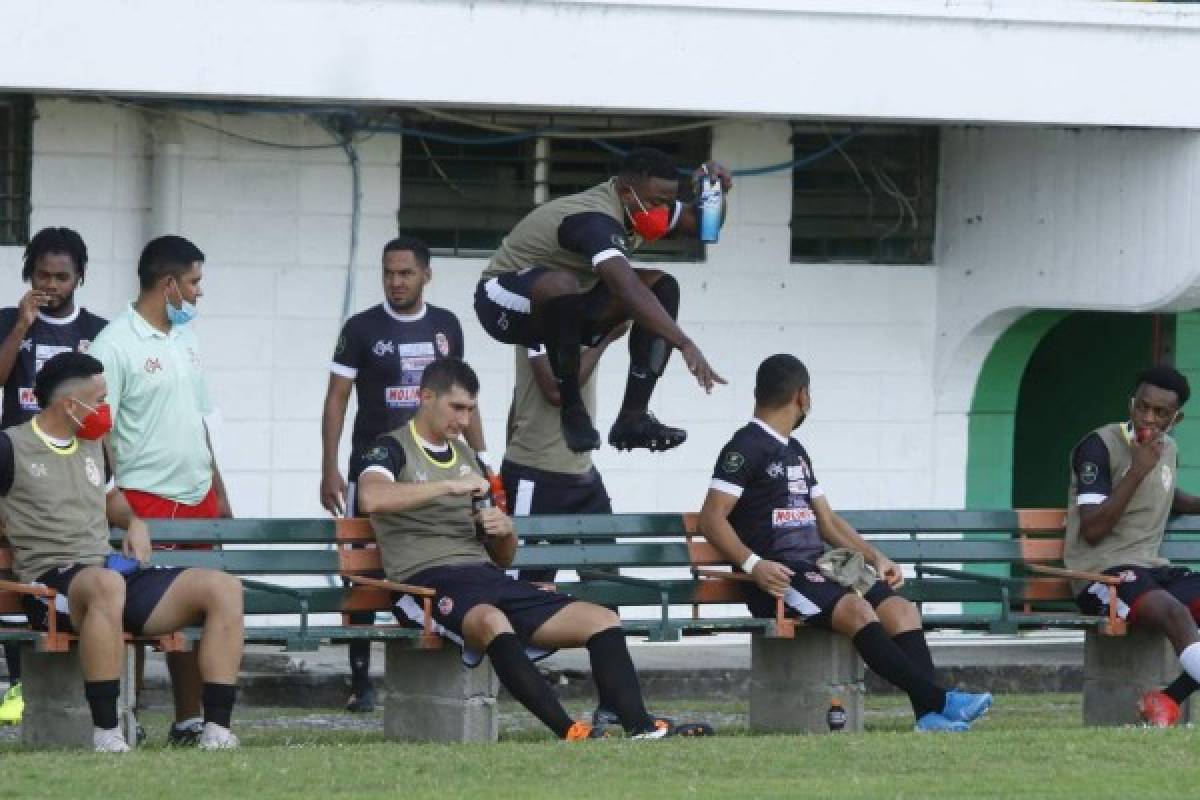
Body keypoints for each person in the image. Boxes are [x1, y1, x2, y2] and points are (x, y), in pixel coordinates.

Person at [357, 358, 710, 740]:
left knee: (602, 620)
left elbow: (504, 557)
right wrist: (448, 487)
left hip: (484, 577)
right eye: (456, 407)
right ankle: (572, 731)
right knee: (493, 621)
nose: (464, 420)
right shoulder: (391, 447)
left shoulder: (468, 458)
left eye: (471, 410)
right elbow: (372, 497)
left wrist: (503, 530)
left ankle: (642, 728)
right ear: (426, 397)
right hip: (423, 585)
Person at [698, 354, 992, 732]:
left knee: (902, 609)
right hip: (780, 576)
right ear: (802, 396)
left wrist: (874, 556)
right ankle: (940, 701)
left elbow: (827, 520)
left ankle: (928, 718)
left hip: (823, 565)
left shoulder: (796, 450)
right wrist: (755, 565)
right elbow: (711, 518)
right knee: (857, 611)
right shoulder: (745, 447)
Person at [0, 352, 242, 752]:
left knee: (224, 588)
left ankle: (216, 730)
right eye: (99, 399)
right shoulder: (10, 445)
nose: (105, 409)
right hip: (51, 584)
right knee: (106, 584)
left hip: (108, 578)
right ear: (69, 405)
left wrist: (135, 522)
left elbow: (114, 501)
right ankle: (107, 734)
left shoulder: (96, 445)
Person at [320, 235, 484, 713]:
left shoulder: (446, 325)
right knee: (362, 573)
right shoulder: (361, 327)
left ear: (426, 274)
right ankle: (359, 681)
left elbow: (465, 395)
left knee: (442, 556)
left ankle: (448, 647)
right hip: (374, 468)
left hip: (436, 464)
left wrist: (483, 455)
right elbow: (336, 399)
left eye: (405, 273)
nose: (395, 281)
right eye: (388, 273)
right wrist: (330, 467)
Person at [474, 147, 728, 455]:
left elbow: (702, 226)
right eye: (656, 203)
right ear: (624, 192)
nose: (662, 211)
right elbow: (626, 288)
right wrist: (684, 342)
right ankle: (572, 410)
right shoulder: (594, 218)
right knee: (565, 283)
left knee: (662, 286)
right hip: (503, 300)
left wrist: (714, 193)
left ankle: (633, 418)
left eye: (667, 203)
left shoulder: (640, 204)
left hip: (568, 304)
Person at [89, 235, 233, 746]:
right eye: (193, 283)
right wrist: (121, 505)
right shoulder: (113, 345)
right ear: (168, 283)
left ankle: (190, 721)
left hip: (198, 496)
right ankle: (132, 721)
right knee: (157, 612)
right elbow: (99, 431)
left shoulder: (185, 338)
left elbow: (200, 419)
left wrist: (219, 487)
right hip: (146, 500)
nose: (198, 294)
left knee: (203, 609)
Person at [0, 226, 107, 726]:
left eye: (62, 276)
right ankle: (19, 684)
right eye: (42, 274)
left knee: (96, 573)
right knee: (14, 578)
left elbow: (108, 401)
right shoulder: (9, 320)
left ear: (79, 277)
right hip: (16, 460)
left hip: (75, 464)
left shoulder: (100, 329)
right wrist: (21, 326)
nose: (51, 284)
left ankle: (103, 690)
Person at [1064, 365, 1200, 727]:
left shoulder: (1167, 448)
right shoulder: (1099, 445)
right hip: (1099, 576)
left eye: (1161, 413)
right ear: (1131, 404)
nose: (1149, 419)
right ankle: (1167, 705)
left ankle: (1169, 700)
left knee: (1180, 603)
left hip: (1151, 571)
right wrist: (1136, 470)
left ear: (1177, 418)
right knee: (1175, 613)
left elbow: (1169, 495)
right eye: (1143, 407)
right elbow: (1092, 529)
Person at [503, 323, 629, 584]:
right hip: (536, 473)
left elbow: (519, 396)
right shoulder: (533, 315)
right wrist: (603, 339)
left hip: (583, 474)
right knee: (525, 589)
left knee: (607, 589)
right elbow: (555, 390)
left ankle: (606, 625)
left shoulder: (585, 313)